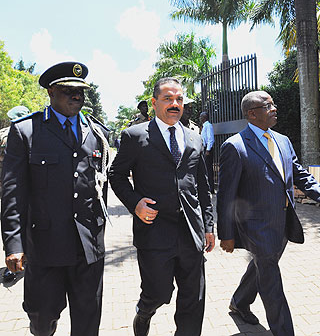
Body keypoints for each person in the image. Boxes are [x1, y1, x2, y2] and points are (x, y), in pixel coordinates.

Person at [1, 61, 110, 336]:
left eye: (81, 91)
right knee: (42, 316)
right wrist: (13, 243)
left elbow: (101, 185)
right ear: (50, 92)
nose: (77, 96)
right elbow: (12, 191)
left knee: (88, 320)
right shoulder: (26, 132)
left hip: (88, 246)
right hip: (45, 245)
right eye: (68, 90)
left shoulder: (97, 133)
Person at [217, 90, 320, 336]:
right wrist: (226, 234)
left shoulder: (282, 140)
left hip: (283, 221)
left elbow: (299, 173)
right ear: (252, 114)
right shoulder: (235, 147)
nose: (274, 109)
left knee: (263, 266)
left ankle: (239, 302)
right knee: (271, 279)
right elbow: (226, 196)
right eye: (267, 105)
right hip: (255, 226)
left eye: (273, 104)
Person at [109, 77, 215, 336]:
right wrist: (135, 204)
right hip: (154, 230)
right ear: (154, 102)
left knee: (193, 298)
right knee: (158, 292)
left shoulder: (195, 138)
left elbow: (203, 186)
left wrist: (209, 226)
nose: (174, 104)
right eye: (168, 99)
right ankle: (144, 311)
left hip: (191, 230)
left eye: (179, 99)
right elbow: (116, 175)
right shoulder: (135, 136)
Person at [0, 106, 30, 283]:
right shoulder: (30, 131)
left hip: (5, 187)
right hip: (22, 188)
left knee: (9, 223)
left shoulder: (4, 133)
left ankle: (14, 258)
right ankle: (18, 260)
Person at [199, 112, 215, 193]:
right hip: (204, 149)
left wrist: (208, 150)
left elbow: (210, 138)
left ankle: (211, 188)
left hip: (207, 150)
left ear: (204, 117)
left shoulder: (208, 126)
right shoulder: (204, 126)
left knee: (208, 169)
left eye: (201, 116)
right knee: (205, 169)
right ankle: (208, 187)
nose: (200, 118)